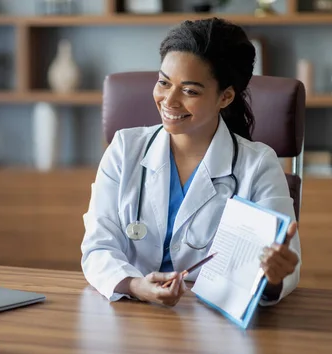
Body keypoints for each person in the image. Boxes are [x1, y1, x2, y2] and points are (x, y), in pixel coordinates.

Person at [81, 17, 300, 307]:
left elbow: (281, 269)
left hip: (214, 325)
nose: (169, 100)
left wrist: (274, 275)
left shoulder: (258, 166)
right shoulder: (124, 149)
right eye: (163, 82)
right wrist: (135, 285)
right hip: (129, 310)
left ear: (225, 97)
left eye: (190, 91)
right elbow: (98, 248)